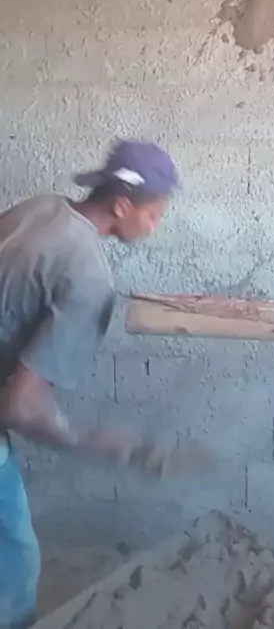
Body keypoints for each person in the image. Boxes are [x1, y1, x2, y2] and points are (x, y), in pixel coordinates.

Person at [0, 139, 208, 629]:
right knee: (14, 558)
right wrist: (103, 445)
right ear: (121, 206)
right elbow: (21, 408)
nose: (155, 226)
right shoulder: (89, 279)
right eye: (154, 215)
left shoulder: (41, 209)